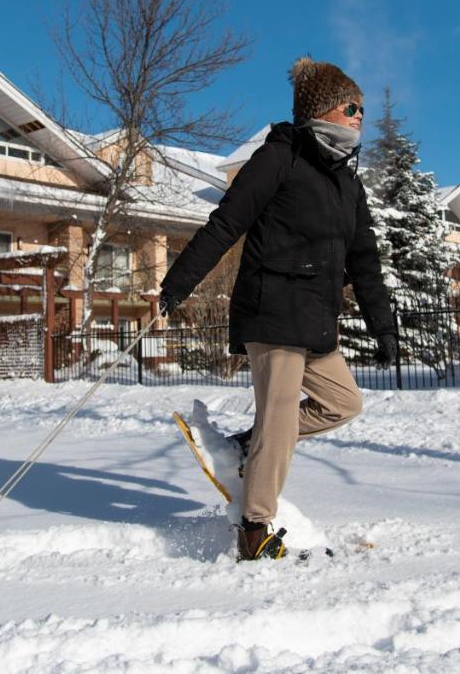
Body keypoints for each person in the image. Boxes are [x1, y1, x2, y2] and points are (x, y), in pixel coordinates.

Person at [159, 56, 398, 560]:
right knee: (281, 414)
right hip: (272, 310)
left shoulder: (346, 183)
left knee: (343, 403)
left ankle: (247, 447)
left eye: (362, 109)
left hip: (314, 318)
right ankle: (254, 529)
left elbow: (365, 259)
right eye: (351, 106)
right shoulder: (279, 158)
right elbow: (226, 224)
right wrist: (178, 284)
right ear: (323, 110)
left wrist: (382, 322)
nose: (360, 116)